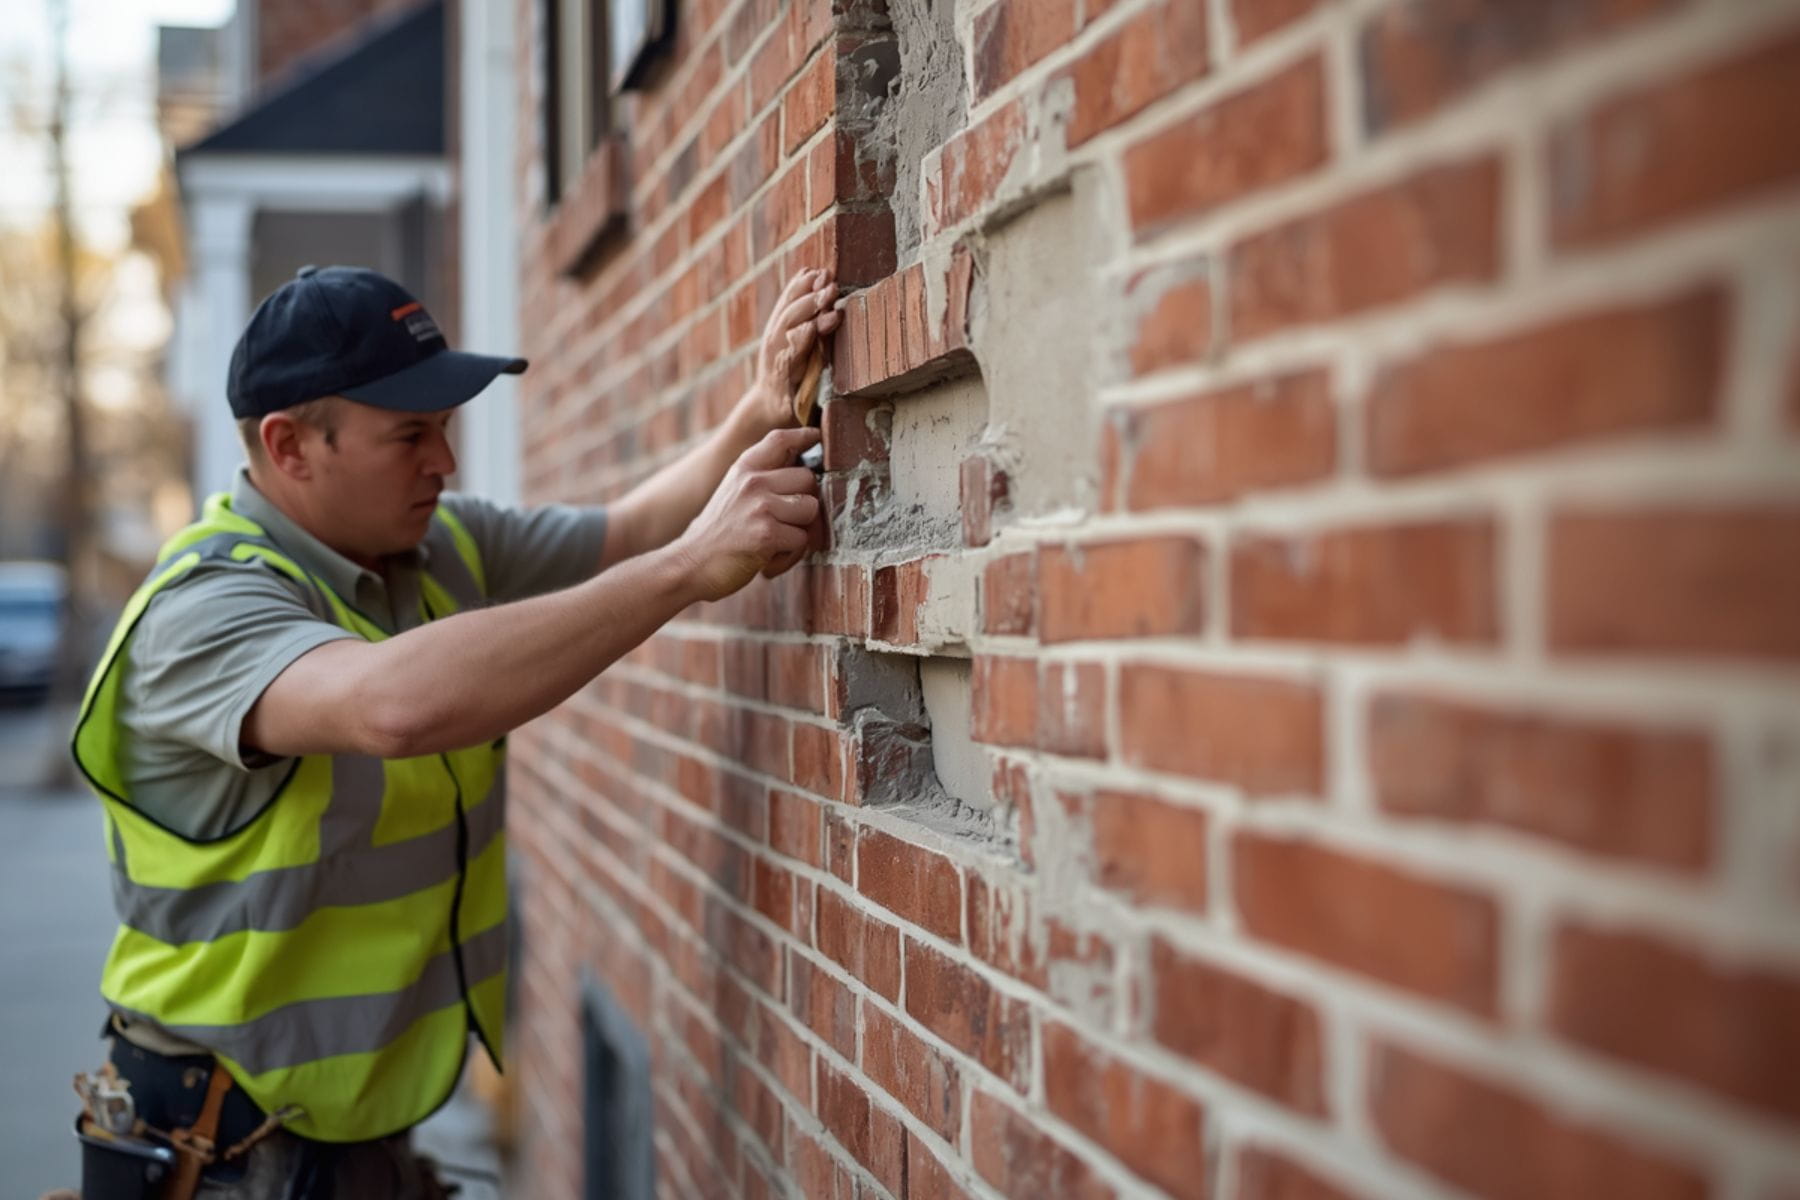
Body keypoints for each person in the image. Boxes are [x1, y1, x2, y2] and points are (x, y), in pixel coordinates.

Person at [65, 263, 839, 1198]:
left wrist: (755, 413)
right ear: (291, 446)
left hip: (349, 1139)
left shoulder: (440, 548)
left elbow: (629, 533)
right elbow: (393, 707)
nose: (446, 461)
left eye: (445, 426)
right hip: (218, 1149)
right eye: (410, 434)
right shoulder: (200, 612)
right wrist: (690, 567)